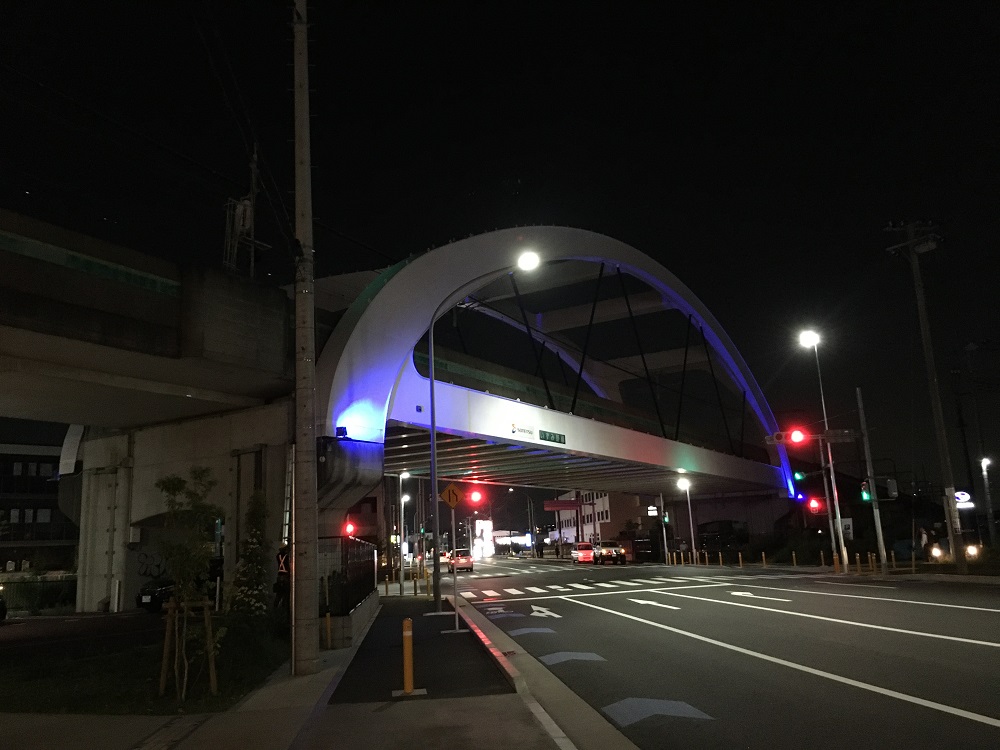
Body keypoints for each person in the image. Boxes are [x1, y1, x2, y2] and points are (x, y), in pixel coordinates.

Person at [273, 543, 290, 611]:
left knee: (279, 593)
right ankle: (284, 608)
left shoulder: (278, 556)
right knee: (286, 594)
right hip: (285, 575)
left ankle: (275, 608)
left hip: (279, 575)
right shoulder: (287, 556)